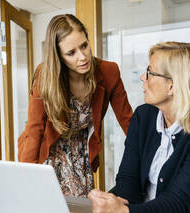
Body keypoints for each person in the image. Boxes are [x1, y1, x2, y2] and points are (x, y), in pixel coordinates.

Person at [88, 42, 190, 213]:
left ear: (172, 86)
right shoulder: (143, 116)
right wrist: (118, 207)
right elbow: (128, 176)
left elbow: (180, 199)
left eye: (150, 72)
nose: (143, 77)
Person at [18, 14, 133, 197]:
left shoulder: (109, 71)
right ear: (59, 56)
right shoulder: (45, 76)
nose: (82, 57)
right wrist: (25, 176)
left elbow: (128, 122)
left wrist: (148, 157)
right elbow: (34, 129)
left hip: (82, 154)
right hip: (51, 150)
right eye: (71, 53)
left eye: (84, 46)